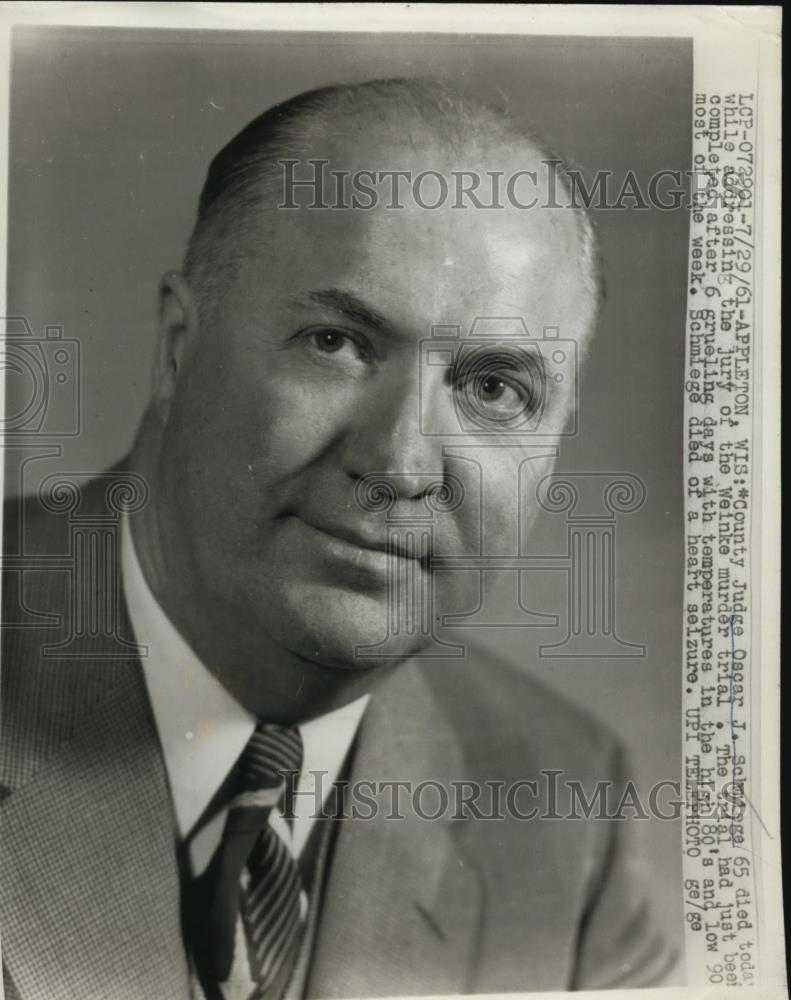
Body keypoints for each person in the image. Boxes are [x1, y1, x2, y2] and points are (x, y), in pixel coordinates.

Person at [1, 78, 677, 999]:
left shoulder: (568, 809)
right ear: (175, 347)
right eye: (336, 343)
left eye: (491, 390)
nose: (400, 463)